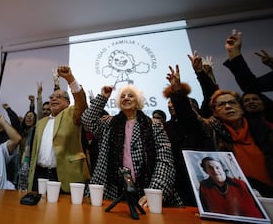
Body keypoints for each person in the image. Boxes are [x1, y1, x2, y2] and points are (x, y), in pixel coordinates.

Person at [166, 64, 273, 197]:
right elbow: (189, 118)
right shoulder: (211, 129)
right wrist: (177, 91)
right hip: (234, 195)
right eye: (222, 104)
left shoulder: (262, 129)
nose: (228, 106)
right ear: (214, 111)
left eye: (232, 102)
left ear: (241, 107)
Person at [81, 84, 183, 206]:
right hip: (112, 191)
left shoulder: (154, 125)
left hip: (145, 192)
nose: (126, 98)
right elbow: (87, 120)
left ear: (138, 100)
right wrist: (103, 97)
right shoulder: (109, 123)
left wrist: (154, 192)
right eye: (122, 96)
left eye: (131, 95)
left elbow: (164, 160)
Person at [28, 66, 89, 193]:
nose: (53, 99)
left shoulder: (71, 114)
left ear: (67, 103)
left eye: (58, 96)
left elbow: (81, 103)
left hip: (63, 176)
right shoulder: (41, 123)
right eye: (51, 97)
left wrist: (70, 79)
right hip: (39, 175)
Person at [199, 157, 263, 218]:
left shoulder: (240, 183)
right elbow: (205, 210)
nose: (215, 170)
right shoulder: (204, 187)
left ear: (223, 168)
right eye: (210, 168)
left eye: (217, 167)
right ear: (206, 171)